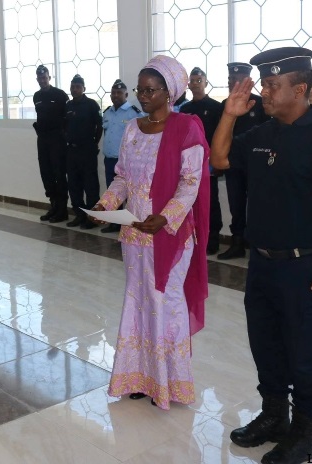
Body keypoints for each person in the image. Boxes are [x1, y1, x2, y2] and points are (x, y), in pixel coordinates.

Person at [211, 47, 312, 464]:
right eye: (263, 84)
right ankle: (275, 416)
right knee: (266, 345)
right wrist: (230, 113)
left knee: (306, 353)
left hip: (307, 266)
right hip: (262, 263)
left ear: (299, 89)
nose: (263, 92)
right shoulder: (262, 135)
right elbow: (220, 157)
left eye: (272, 85)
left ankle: (304, 434)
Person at [91, 55, 210, 410]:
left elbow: (191, 184)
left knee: (165, 302)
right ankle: (140, 377)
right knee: (138, 300)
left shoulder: (186, 127)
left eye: (151, 90)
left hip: (170, 235)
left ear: (169, 92)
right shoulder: (131, 128)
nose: (143, 96)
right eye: (140, 89)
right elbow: (123, 177)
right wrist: (106, 204)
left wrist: (165, 217)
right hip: (134, 233)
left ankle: (171, 383)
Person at [217, 62, 270, 260]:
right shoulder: (225, 105)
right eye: (230, 80)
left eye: (237, 81)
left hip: (258, 165)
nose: (233, 84)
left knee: (259, 205)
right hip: (233, 165)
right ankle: (237, 243)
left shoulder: (260, 103)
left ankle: (259, 246)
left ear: (248, 82)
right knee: (236, 205)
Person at [180, 67, 224, 254]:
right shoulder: (185, 109)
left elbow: (221, 136)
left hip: (208, 163)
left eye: (200, 80)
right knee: (189, 202)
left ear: (206, 83)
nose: (196, 84)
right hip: (189, 164)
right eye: (193, 81)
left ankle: (212, 239)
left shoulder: (216, 107)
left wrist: (216, 162)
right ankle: (192, 237)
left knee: (211, 202)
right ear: (188, 85)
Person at [100, 79, 142, 234]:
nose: (116, 95)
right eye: (114, 93)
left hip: (126, 162)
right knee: (113, 193)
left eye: (119, 93)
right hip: (109, 159)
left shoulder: (133, 113)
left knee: (129, 194)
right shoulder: (107, 113)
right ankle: (115, 223)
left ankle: (129, 225)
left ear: (126, 94)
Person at [64, 74, 102, 229]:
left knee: (90, 186)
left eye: (78, 87)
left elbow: (99, 127)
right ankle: (79, 215)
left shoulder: (92, 105)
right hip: (71, 152)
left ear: (84, 88)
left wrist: (93, 144)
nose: (75, 89)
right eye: (72, 87)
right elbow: (64, 125)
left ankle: (91, 218)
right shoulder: (68, 105)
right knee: (74, 185)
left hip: (87, 152)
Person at [32, 64, 69, 223]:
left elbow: (67, 118)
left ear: (49, 77)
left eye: (44, 77)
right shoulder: (36, 96)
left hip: (57, 140)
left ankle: (62, 210)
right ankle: (53, 206)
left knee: (59, 174)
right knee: (46, 173)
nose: (42, 80)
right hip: (43, 140)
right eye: (40, 78)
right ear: (37, 79)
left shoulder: (60, 95)